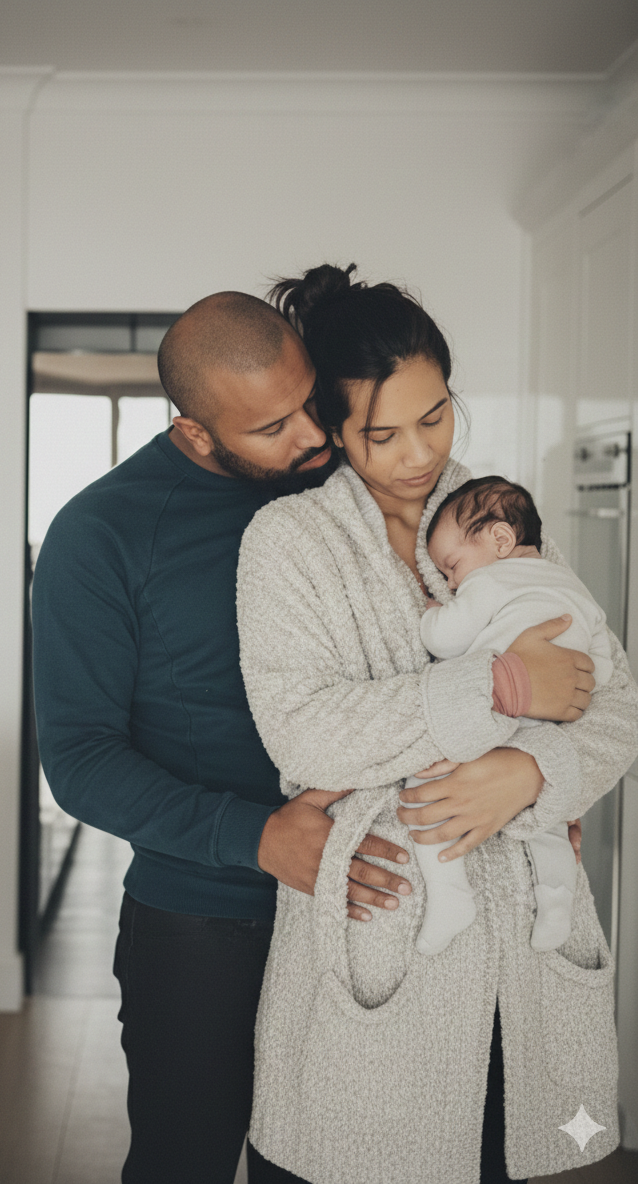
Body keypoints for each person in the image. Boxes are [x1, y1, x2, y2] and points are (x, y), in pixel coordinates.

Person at [31, 290, 593, 1184]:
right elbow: (79, 760)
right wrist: (256, 838)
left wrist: (531, 771)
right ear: (196, 434)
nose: (314, 438)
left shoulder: (355, 488)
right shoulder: (100, 536)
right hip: (206, 917)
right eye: (274, 427)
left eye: (312, 405)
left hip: (379, 901)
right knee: (187, 1162)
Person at [236, 264, 638, 1184]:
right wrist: (496, 691)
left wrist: (533, 774)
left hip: (529, 964)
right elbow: (304, 734)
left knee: (548, 1148)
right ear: (334, 429)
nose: (419, 454)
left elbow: (614, 704)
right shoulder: (289, 546)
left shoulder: (499, 517)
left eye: (436, 415)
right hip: (385, 951)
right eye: (382, 433)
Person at [403, 474, 614, 955]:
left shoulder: (490, 581)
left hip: (495, 718)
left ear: (499, 539)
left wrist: (434, 611)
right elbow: (598, 670)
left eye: (452, 566)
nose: (453, 580)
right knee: (549, 816)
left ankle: (450, 894)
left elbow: (445, 639)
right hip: (554, 727)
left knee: (424, 793)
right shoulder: (574, 586)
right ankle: (557, 899)